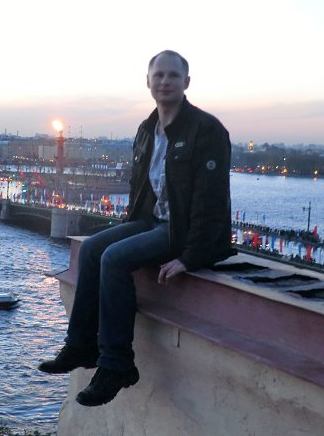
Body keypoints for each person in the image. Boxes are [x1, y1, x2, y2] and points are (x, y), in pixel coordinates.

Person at [38, 50, 235, 407]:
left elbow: (212, 199)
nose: (165, 81)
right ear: (148, 82)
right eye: (158, 75)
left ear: (186, 82)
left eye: (173, 75)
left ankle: (117, 365)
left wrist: (191, 257)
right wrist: (131, 229)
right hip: (151, 220)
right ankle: (81, 346)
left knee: (114, 259)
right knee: (93, 248)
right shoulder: (147, 129)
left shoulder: (206, 130)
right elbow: (139, 186)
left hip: (181, 229)